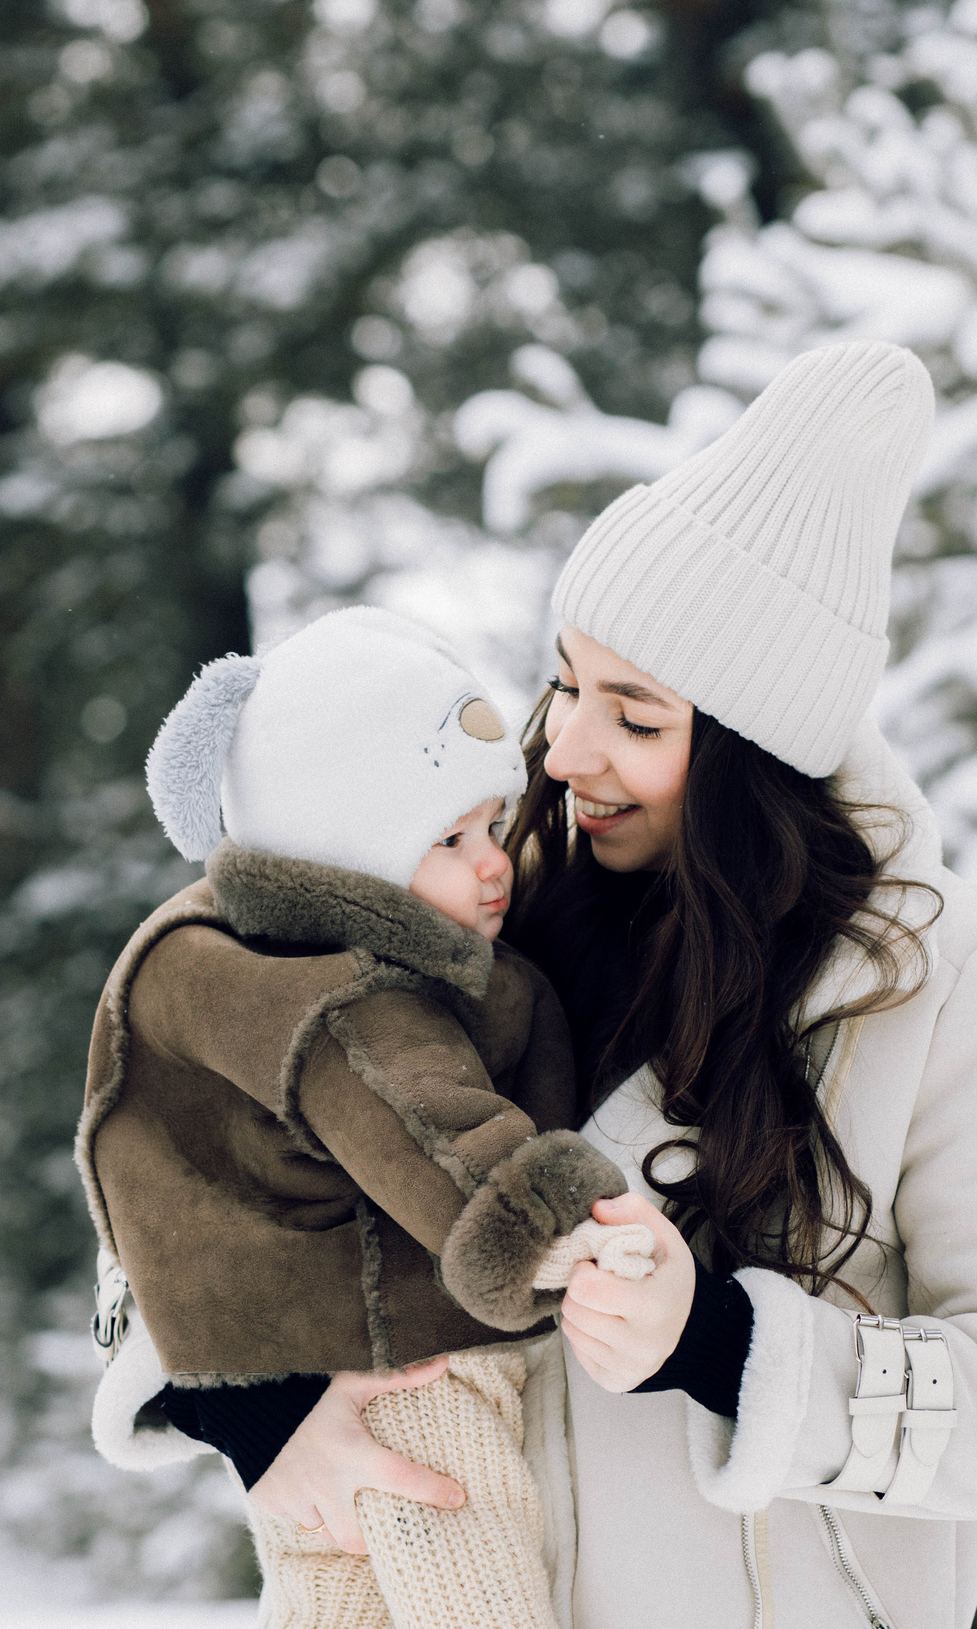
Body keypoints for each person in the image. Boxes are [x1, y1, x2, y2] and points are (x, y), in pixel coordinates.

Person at [93, 341, 977, 1629]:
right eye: (567, 683)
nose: (570, 749)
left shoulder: (961, 986)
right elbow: (174, 1134)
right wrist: (253, 1409)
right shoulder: (468, 901)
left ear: (757, 755)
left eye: (638, 718)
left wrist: (724, 1350)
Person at [76, 605, 656, 1629]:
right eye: (449, 838)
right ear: (354, 853)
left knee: (328, 1609)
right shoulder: (361, 1006)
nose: (493, 864)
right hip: (418, 1386)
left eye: (492, 825)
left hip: (301, 1388)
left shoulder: (225, 956)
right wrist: (563, 1234)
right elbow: (441, 1138)